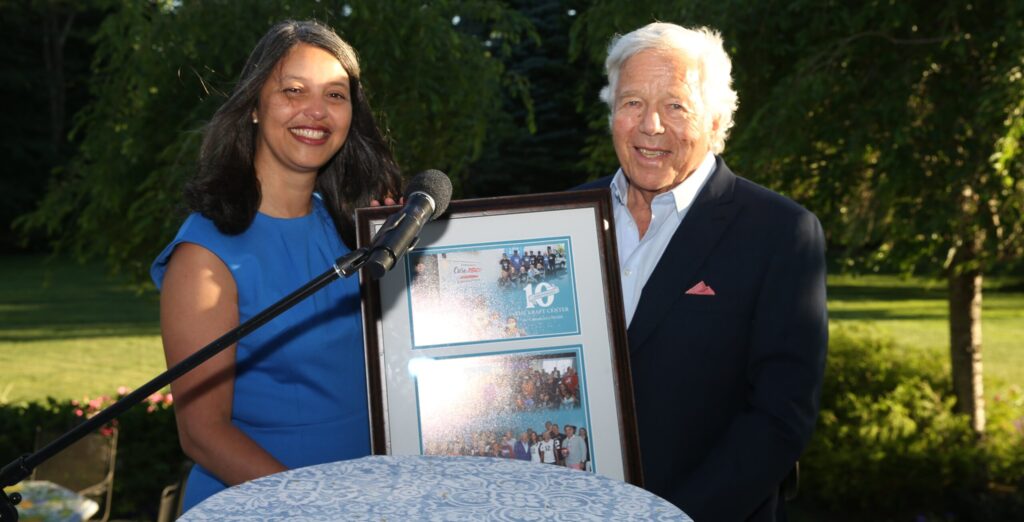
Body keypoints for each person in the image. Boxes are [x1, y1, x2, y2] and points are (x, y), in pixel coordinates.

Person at [577, 23, 827, 521]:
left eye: (676, 106)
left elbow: (780, 419)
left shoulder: (780, 232)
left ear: (716, 123)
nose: (650, 125)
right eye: (631, 103)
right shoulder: (566, 217)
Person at [150, 20, 402, 512]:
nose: (316, 111)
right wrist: (318, 506)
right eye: (293, 90)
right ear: (252, 107)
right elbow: (202, 434)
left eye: (336, 94)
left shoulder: (359, 232)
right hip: (261, 504)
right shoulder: (206, 255)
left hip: (369, 496)